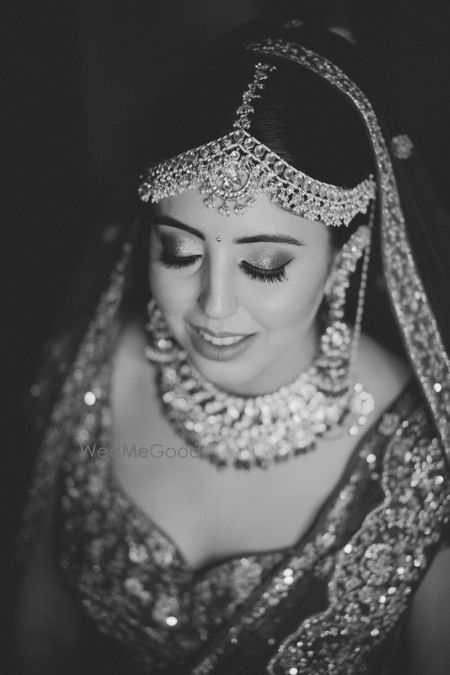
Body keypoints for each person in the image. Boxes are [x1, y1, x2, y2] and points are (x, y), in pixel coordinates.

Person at [9, 18, 450, 675]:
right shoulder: (97, 372)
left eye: (264, 265)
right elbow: (36, 631)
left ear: (346, 256)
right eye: (179, 251)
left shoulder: (417, 460)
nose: (213, 306)